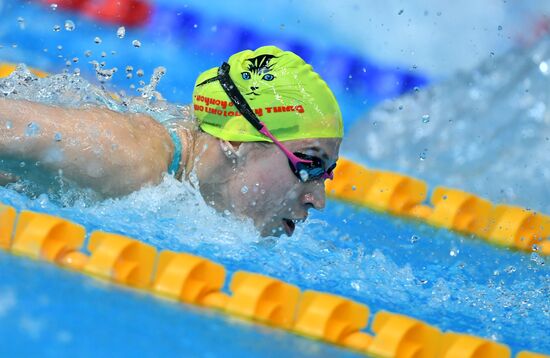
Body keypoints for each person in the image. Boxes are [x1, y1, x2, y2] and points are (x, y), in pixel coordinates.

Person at [0, 46, 343, 237]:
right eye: (308, 165)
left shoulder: (194, 156)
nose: (318, 199)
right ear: (236, 143)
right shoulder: (133, 160)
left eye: (326, 173)